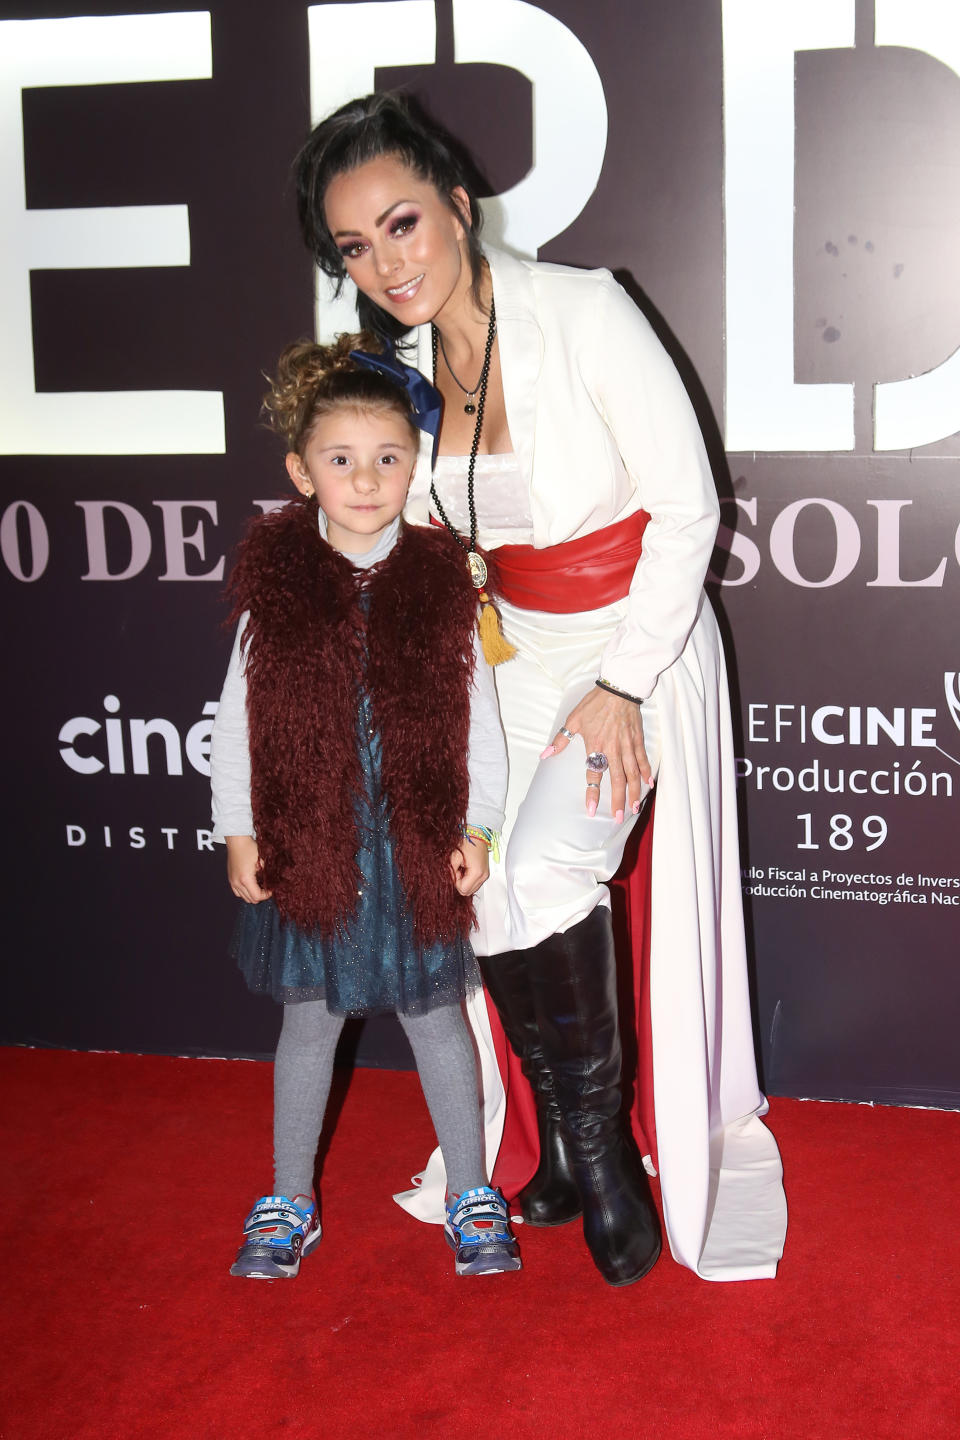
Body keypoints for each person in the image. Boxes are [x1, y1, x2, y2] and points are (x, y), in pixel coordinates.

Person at [292, 93, 788, 1286]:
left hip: (636, 642)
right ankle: (568, 1145)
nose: (386, 262)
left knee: (552, 858)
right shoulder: (396, 372)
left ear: (460, 207)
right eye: (354, 247)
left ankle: (606, 1159)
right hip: (505, 652)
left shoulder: (585, 310)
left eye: (401, 223)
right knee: (476, 870)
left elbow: (688, 506)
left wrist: (624, 681)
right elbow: (397, 536)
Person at [210, 334, 521, 1280]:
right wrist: (240, 827)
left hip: (413, 843)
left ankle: (472, 1191)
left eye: (388, 458)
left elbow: (481, 722)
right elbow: (238, 717)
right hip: (314, 844)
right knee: (308, 1024)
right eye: (341, 460)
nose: (367, 478)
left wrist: (478, 827)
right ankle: (288, 1199)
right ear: (303, 472)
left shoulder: (446, 584)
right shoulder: (277, 590)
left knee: (438, 1020)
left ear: (413, 465)